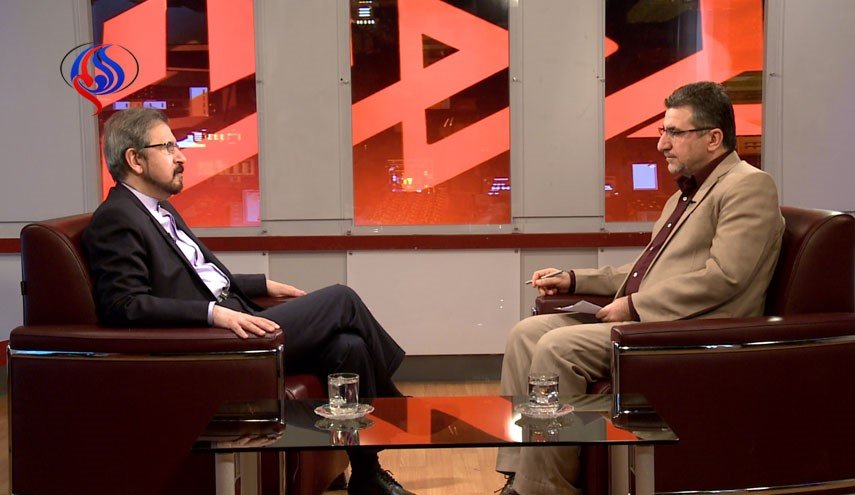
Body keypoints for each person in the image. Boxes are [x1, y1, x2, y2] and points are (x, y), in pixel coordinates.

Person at [82, 107, 416, 495]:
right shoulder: (117, 218)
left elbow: (195, 277)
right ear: (135, 159)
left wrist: (261, 283)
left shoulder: (158, 209)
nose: (181, 156)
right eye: (168, 147)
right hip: (217, 345)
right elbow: (123, 304)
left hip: (239, 318)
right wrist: (213, 315)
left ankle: (367, 473)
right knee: (342, 299)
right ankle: (397, 406)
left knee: (349, 346)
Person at [496, 81, 785, 495]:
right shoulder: (686, 195)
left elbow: (725, 276)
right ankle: (518, 474)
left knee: (557, 348)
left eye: (674, 133)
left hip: (693, 329)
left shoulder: (748, 185)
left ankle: (544, 489)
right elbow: (644, 272)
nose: (662, 144)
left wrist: (634, 307)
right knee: (525, 334)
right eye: (663, 132)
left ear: (713, 138)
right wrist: (574, 278)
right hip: (654, 318)